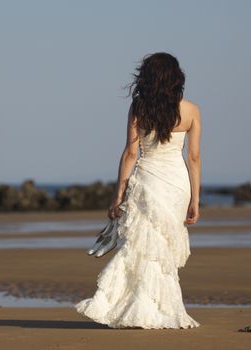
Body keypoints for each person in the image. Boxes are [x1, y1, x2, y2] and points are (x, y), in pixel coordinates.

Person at [74, 52, 201, 329]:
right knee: (161, 249)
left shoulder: (139, 108)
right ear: (176, 78)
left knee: (141, 246)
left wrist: (117, 195)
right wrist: (196, 200)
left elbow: (131, 152)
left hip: (148, 179)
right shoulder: (191, 110)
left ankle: (142, 308)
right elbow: (193, 158)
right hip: (176, 184)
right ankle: (161, 310)